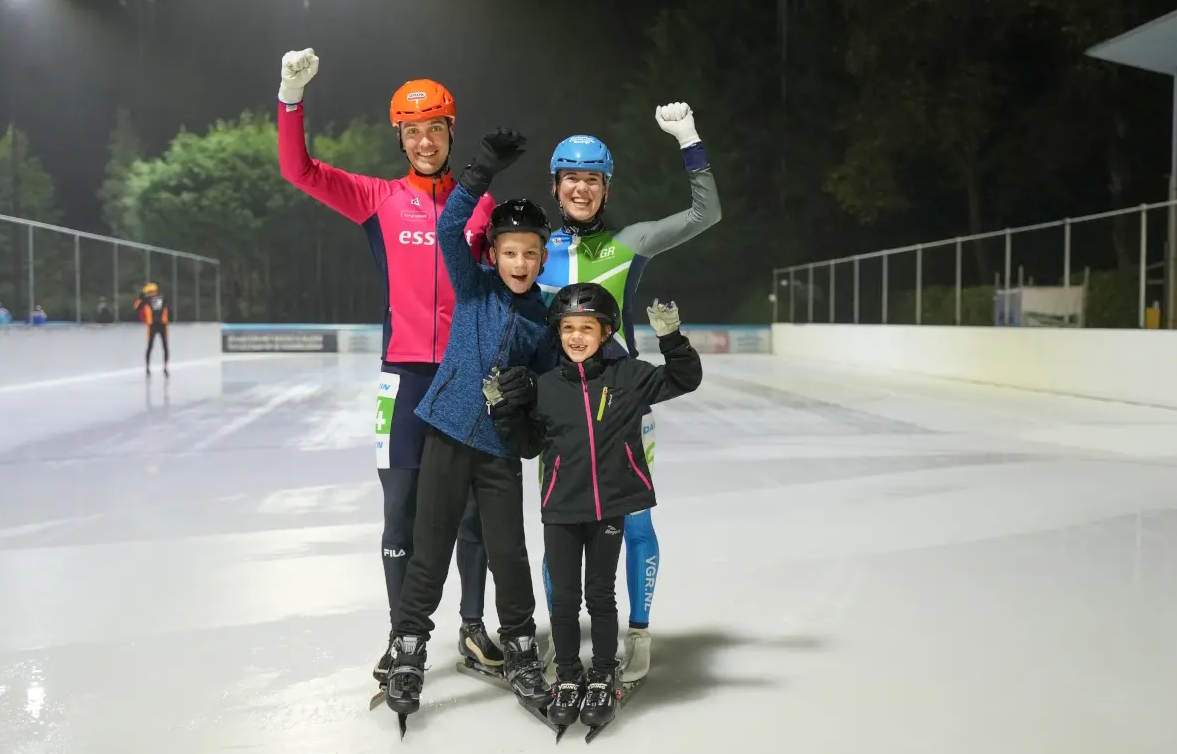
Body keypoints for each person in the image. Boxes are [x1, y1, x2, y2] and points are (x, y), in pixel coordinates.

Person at [275, 48, 501, 682]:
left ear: (451, 132)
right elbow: (299, 169)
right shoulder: (376, 199)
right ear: (399, 137)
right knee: (399, 505)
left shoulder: (479, 207)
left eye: (434, 128)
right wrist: (291, 97)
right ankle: (405, 635)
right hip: (401, 379)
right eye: (411, 130)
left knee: (471, 513)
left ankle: (474, 627)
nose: (423, 141)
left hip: (465, 377)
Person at [536, 102, 722, 682]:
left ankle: (637, 631)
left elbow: (705, 212)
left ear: (606, 187)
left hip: (623, 406)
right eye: (572, 177)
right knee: (559, 526)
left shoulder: (630, 242)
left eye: (592, 179)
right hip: (560, 410)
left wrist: (689, 139)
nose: (581, 188)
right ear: (556, 184)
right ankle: (563, 628)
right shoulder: (530, 249)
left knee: (636, 524)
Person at [385, 128, 556, 715]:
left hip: (501, 447)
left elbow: (551, 383)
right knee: (430, 546)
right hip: (450, 432)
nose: (519, 262)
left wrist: (530, 389)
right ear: (494, 254)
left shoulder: (545, 317)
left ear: (543, 255)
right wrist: (480, 170)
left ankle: (521, 647)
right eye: (509, 251)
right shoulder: (472, 285)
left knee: (509, 551)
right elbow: (446, 227)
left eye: (530, 253)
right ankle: (408, 646)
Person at [485, 282, 702, 727]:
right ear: (557, 333)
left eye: (587, 327)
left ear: (606, 333)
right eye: (568, 328)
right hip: (562, 510)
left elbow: (684, 378)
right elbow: (526, 446)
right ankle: (567, 675)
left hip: (610, 509)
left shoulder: (630, 377)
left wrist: (672, 338)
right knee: (564, 601)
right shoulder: (543, 389)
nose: (577, 336)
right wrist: (502, 408)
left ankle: (603, 673)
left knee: (601, 597)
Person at [135, 283, 171, 376]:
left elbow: (136, 308)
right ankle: (165, 367)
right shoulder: (163, 298)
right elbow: (167, 309)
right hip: (162, 324)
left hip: (152, 325)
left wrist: (140, 298)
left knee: (150, 346)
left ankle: (148, 368)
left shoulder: (145, 300)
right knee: (165, 346)